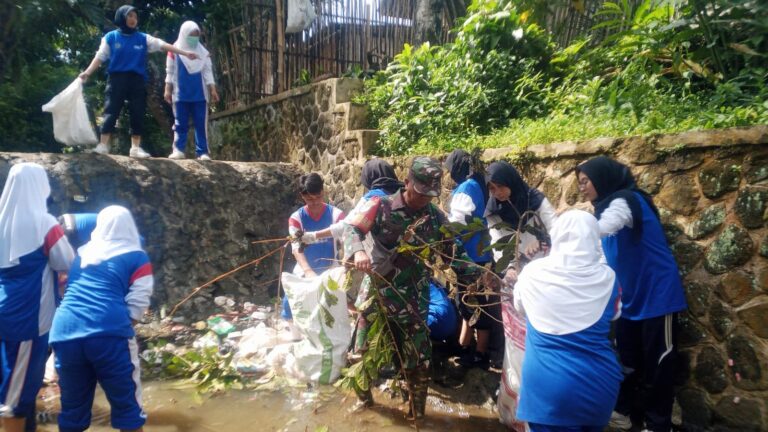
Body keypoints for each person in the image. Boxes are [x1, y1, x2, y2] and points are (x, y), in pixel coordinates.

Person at [343, 157, 482, 418]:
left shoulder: (435, 218)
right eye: (420, 192)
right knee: (360, 353)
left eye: (430, 195)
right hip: (378, 292)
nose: (423, 199)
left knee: (419, 361)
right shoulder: (380, 205)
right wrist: (358, 252)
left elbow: (454, 254)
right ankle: (366, 406)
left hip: (415, 299)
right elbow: (351, 230)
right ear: (406, 182)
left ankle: (417, 414)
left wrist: (481, 275)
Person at [576, 156, 687, 432]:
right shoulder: (603, 211)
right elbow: (599, 255)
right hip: (629, 300)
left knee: (659, 364)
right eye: (579, 183)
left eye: (585, 181)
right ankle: (623, 414)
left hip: (657, 297)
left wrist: (572, 232)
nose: (581, 188)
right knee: (625, 361)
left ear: (602, 178)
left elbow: (605, 227)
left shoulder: (625, 201)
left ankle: (658, 424)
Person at [514, 210, 623, 432]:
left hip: (549, 391)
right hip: (600, 388)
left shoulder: (532, 273)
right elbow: (615, 314)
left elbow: (519, 307)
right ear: (593, 238)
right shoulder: (608, 278)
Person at [50, 205, 154, 432]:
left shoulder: (81, 254)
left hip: (64, 332)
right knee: (128, 409)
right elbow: (139, 300)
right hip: (107, 334)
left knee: (72, 410)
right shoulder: (137, 256)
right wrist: (121, 327)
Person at [0, 163, 75, 432]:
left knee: (17, 385)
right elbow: (67, 261)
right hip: (30, 318)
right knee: (15, 398)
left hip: (6, 308)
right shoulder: (44, 223)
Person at [79, 5, 199, 158]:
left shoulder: (143, 38)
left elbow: (162, 45)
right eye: (129, 16)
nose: (133, 19)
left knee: (138, 112)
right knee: (111, 110)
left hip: (137, 80)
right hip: (117, 79)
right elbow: (100, 57)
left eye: (135, 17)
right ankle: (103, 145)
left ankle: (135, 148)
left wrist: (184, 53)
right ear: (122, 17)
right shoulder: (111, 37)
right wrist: (87, 72)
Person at [444, 149, 494, 368]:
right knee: (468, 302)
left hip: (471, 257)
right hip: (479, 255)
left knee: (475, 303)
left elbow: (458, 222)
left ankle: (480, 354)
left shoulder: (466, 187)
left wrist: (442, 231)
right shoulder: (478, 184)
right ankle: (464, 345)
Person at [283, 174, 345, 338]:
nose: (315, 202)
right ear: (302, 196)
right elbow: (296, 248)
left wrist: (345, 263)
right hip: (306, 267)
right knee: (291, 299)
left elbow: (345, 237)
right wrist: (308, 271)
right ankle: (295, 335)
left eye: (318, 197)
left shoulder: (336, 215)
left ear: (323, 192)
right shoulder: (296, 219)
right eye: (310, 199)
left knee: (333, 305)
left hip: (330, 267)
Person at [484, 160, 556, 282]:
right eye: (492, 189)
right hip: (519, 270)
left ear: (510, 181)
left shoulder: (534, 200)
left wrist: (542, 240)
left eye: (500, 186)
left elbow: (555, 228)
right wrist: (509, 267)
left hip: (545, 265)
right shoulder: (494, 210)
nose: (498, 192)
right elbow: (497, 242)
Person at [164, 21, 219, 161]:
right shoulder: (174, 50)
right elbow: (169, 72)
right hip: (180, 94)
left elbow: (208, 72)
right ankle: (178, 149)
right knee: (180, 124)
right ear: (184, 34)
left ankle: (203, 152)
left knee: (201, 124)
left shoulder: (203, 53)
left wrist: (212, 89)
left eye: (196, 35)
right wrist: (167, 90)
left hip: (199, 95)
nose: (194, 38)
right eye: (191, 35)